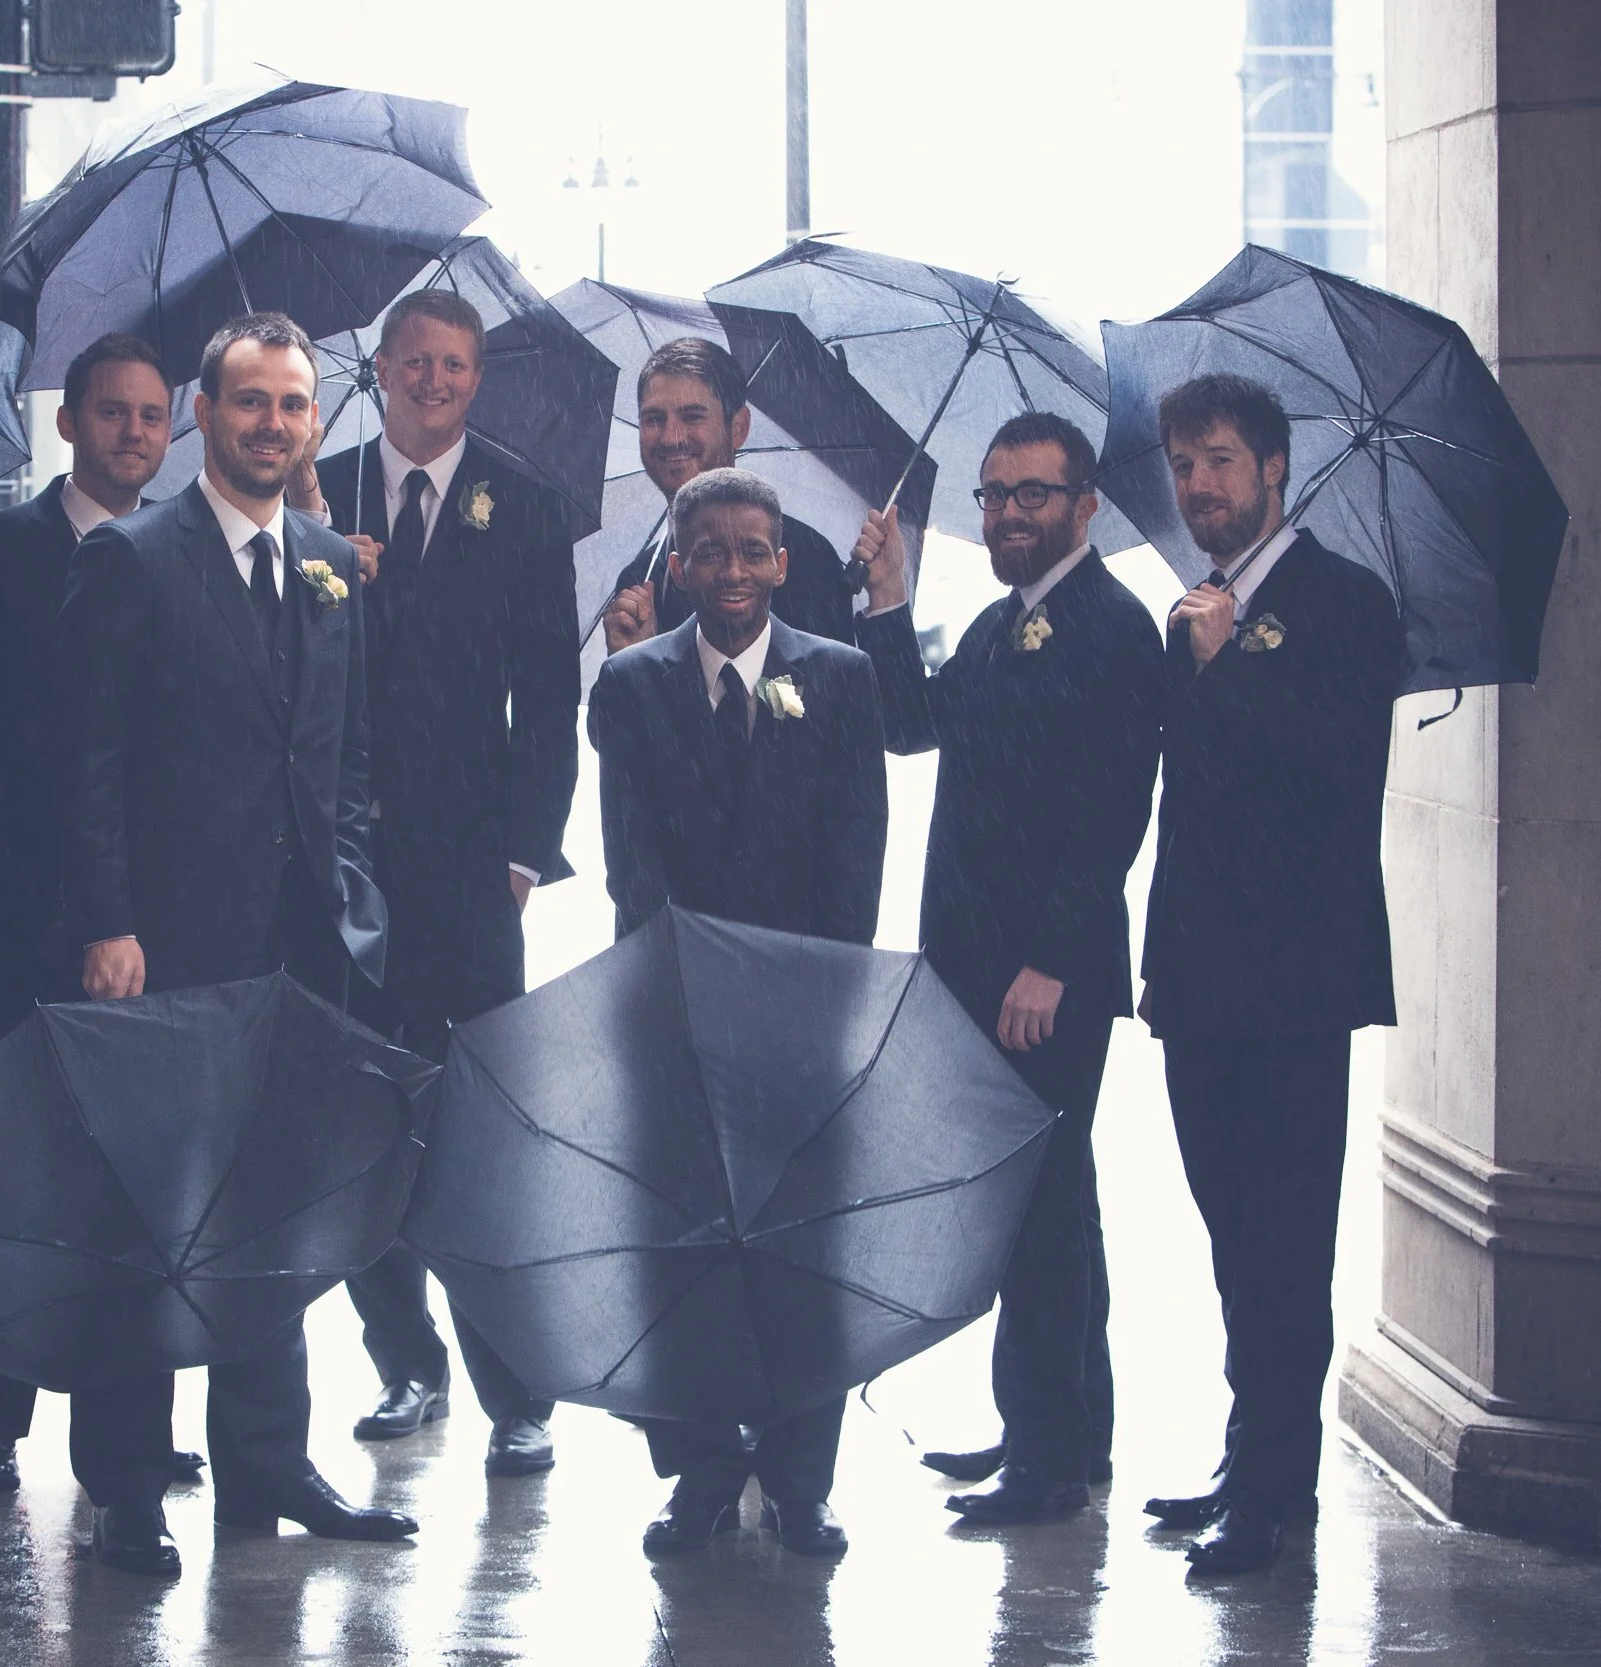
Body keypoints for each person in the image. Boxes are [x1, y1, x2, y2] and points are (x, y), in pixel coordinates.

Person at [59, 311, 413, 1576]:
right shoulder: (133, 561)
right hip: (160, 950)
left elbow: (345, 753)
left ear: (316, 421)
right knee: (149, 1215)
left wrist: (352, 886)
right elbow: (86, 762)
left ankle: (264, 1458)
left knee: (275, 1211)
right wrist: (107, 922)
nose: (273, 424)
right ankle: (124, 1483)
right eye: (250, 402)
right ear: (203, 414)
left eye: (294, 405)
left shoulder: (327, 560)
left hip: (301, 953)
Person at [287, 289, 580, 1476]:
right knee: (365, 1118)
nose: (434, 382)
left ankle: (518, 1389)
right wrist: (326, 561)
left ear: (475, 377)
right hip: (349, 863)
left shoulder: (524, 502)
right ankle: (406, 1360)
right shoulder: (329, 484)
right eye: (416, 362)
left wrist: (523, 851)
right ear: (386, 366)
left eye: (455, 366)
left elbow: (550, 696)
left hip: (472, 873)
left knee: (477, 1128)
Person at [852, 412, 1162, 1524]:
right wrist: (887, 599)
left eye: (1033, 492)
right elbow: (909, 726)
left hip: (1045, 980)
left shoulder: (1114, 630)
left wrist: (1048, 962)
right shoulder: (997, 624)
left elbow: (1109, 817)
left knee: (1035, 1209)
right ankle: (1063, 1431)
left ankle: (1047, 1459)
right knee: (1048, 1201)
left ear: (1084, 506)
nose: (1010, 512)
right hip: (975, 969)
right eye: (993, 494)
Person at [588, 466, 888, 1560]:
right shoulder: (628, 686)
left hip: (806, 1017)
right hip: (672, 1012)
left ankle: (801, 1480)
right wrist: (685, 1001)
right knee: (684, 1252)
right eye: (706, 551)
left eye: (750, 550)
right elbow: (634, 867)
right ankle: (700, 1472)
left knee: (806, 1251)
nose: (729, 571)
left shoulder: (843, 678)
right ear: (675, 565)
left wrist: (818, 1006)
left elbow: (857, 861)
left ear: (782, 562)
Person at [1136, 372, 1405, 1574]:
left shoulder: (1348, 603)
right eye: (1184, 465)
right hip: (1198, 982)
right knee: (1228, 1234)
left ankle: (1275, 1501)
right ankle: (1250, 1459)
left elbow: (1340, 787)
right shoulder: (1188, 607)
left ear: (1275, 470)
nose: (1199, 485)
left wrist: (1233, 659)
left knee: (1286, 1241)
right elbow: (1180, 810)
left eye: (1220, 463)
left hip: (1294, 985)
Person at [0, 331, 201, 1495]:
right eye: (110, 412)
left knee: (135, 1183)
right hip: (24, 905)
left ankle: (130, 1422)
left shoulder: (186, 555)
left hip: (147, 920)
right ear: (69, 423)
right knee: (10, 1170)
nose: (131, 433)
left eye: (149, 416)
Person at [599, 336, 856, 653]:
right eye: (654, 419)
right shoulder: (638, 579)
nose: (670, 438)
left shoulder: (806, 557)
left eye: (692, 416)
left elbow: (836, 697)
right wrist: (629, 667)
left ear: (738, 427)